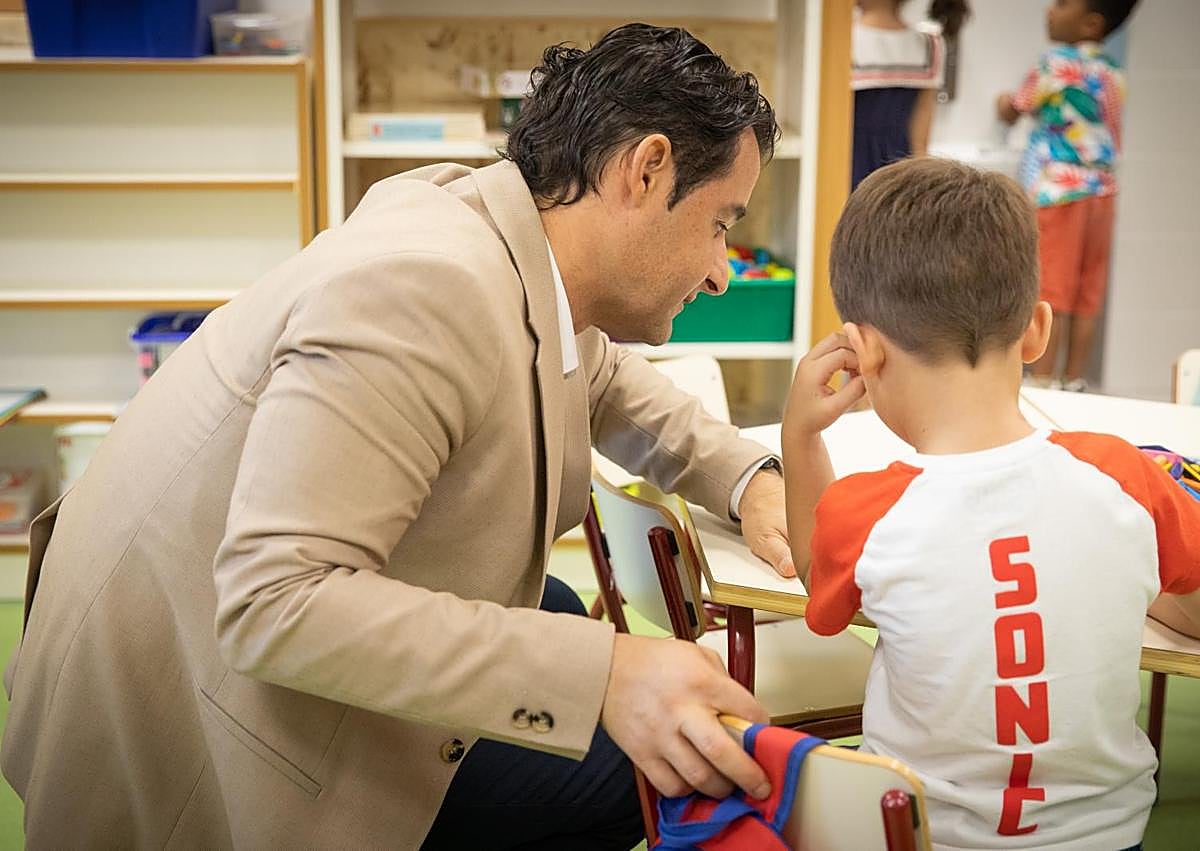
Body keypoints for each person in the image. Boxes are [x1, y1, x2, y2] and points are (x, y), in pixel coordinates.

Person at [0, 24, 808, 849]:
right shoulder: (424, 285)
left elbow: (601, 378)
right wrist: (601, 673)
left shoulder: (507, 231)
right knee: (633, 759)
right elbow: (273, 603)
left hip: (212, 637)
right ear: (646, 170)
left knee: (558, 604)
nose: (720, 271)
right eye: (721, 224)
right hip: (191, 722)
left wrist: (751, 479)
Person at [781, 157, 1200, 850]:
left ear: (863, 353)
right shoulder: (1126, 477)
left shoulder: (867, 513)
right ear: (1037, 330)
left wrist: (801, 436)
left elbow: (812, 572)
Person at [997, 0, 1139, 392]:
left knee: (1051, 291)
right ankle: (1074, 382)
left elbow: (1019, 106)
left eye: (1062, 4)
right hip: (1102, 195)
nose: (1050, 11)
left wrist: (1002, 104)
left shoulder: (1056, 63)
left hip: (1059, 192)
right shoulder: (1114, 70)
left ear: (1091, 23)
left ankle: (1043, 385)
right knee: (1085, 295)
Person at [851, 0, 970, 189]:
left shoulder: (842, 41)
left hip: (846, 168)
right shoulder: (929, 45)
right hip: (901, 175)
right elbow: (920, 140)